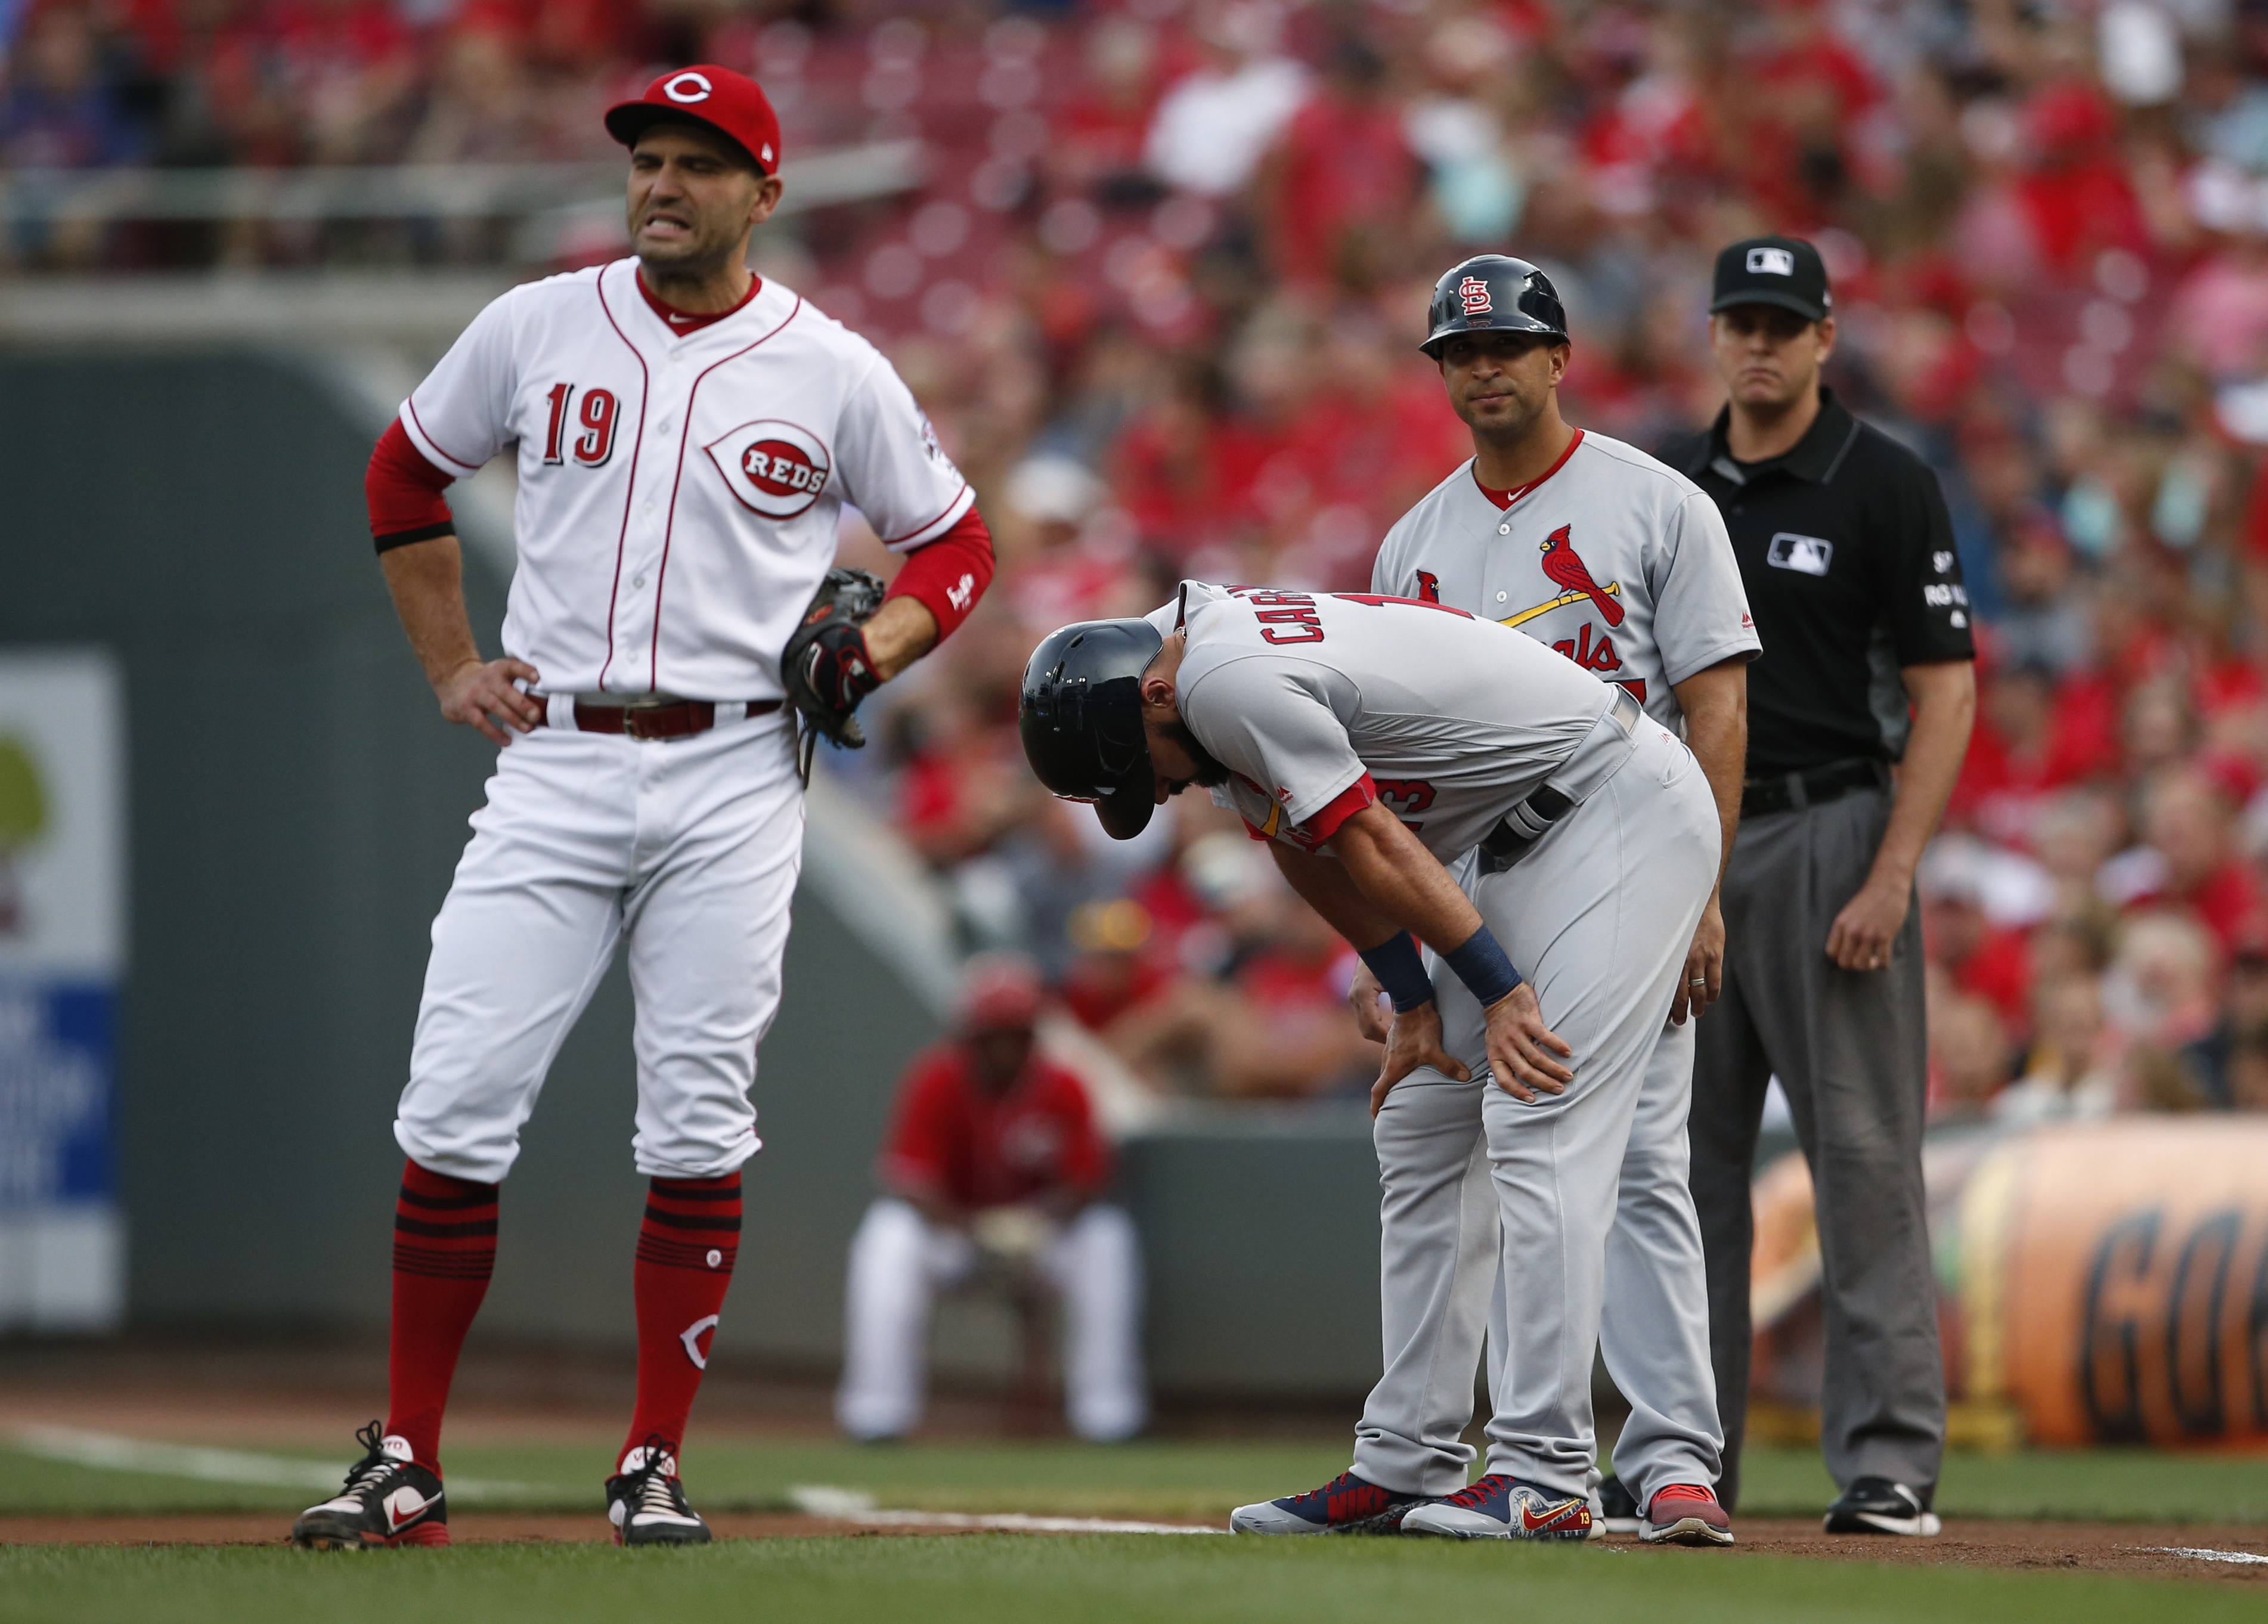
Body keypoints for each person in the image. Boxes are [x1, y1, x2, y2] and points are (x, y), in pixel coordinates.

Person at [290, 64, 996, 1550]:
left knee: (693, 1117)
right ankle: (406, 1452)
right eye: (647, 159)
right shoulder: (540, 322)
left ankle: (651, 1461)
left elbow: (954, 546)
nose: (661, 184)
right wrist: (450, 666)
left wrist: (869, 647)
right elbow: (402, 471)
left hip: (737, 766)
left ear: (764, 193)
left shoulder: (831, 365)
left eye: (698, 161)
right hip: (553, 754)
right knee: (455, 1101)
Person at [1021, 582, 1719, 1541]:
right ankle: (1405, 1463)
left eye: (1149, 770)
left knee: (1536, 1110)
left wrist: (1501, 989)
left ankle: (1546, 1470)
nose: (1166, 789)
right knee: (1424, 1117)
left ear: (1149, 697)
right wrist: (1413, 994)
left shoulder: (1224, 678)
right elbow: (1305, 847)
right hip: (1512, 841)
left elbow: (1367, 834)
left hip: (1614, 807)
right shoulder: (1198, 677)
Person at [1337, 254, 1754, 1544]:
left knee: (1633, 1164)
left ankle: (1673, 1460)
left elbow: (1719, 704)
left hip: (1625, 854)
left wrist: (1705, 889)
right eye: (1461, 354)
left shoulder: (1655, 502)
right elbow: (1391, 765)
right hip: (1472, 876)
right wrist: (1395, 947)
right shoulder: (1416, 538)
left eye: (1508, 347)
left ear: (1560, 357)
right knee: (1424, 1135)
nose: (1485, 369)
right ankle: (1411, 1452)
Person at [1659, 235, 1976, 1536]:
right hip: (1684, 845)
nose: (1761, 343)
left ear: (1827, 338)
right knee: (1683, 1173)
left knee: (1859, 1159)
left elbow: (1944, 689)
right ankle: (1688, 1460)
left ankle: (1890, 1461)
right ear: (1716, 333)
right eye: (1742, 319)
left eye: (1785, 324)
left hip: (1836, 830)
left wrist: (1895, 870)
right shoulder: (1666, 486)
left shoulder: (1884, 482)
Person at [836, 955, 1146, 1443]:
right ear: (970, 1036)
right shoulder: (936, 1079)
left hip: (1040, 1239)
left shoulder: (1064, 1085)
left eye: (1016, 1033)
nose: (1004, 1047)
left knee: (1107, 1237)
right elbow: (910, 1183)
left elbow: (1088, 1181)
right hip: (956, 1237)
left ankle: (1107, 1415)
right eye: (993, 1034)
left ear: (1033, 1036)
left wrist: (1029, 1224)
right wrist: (977, 1230)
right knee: (889, 1234)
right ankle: (878, 1414)